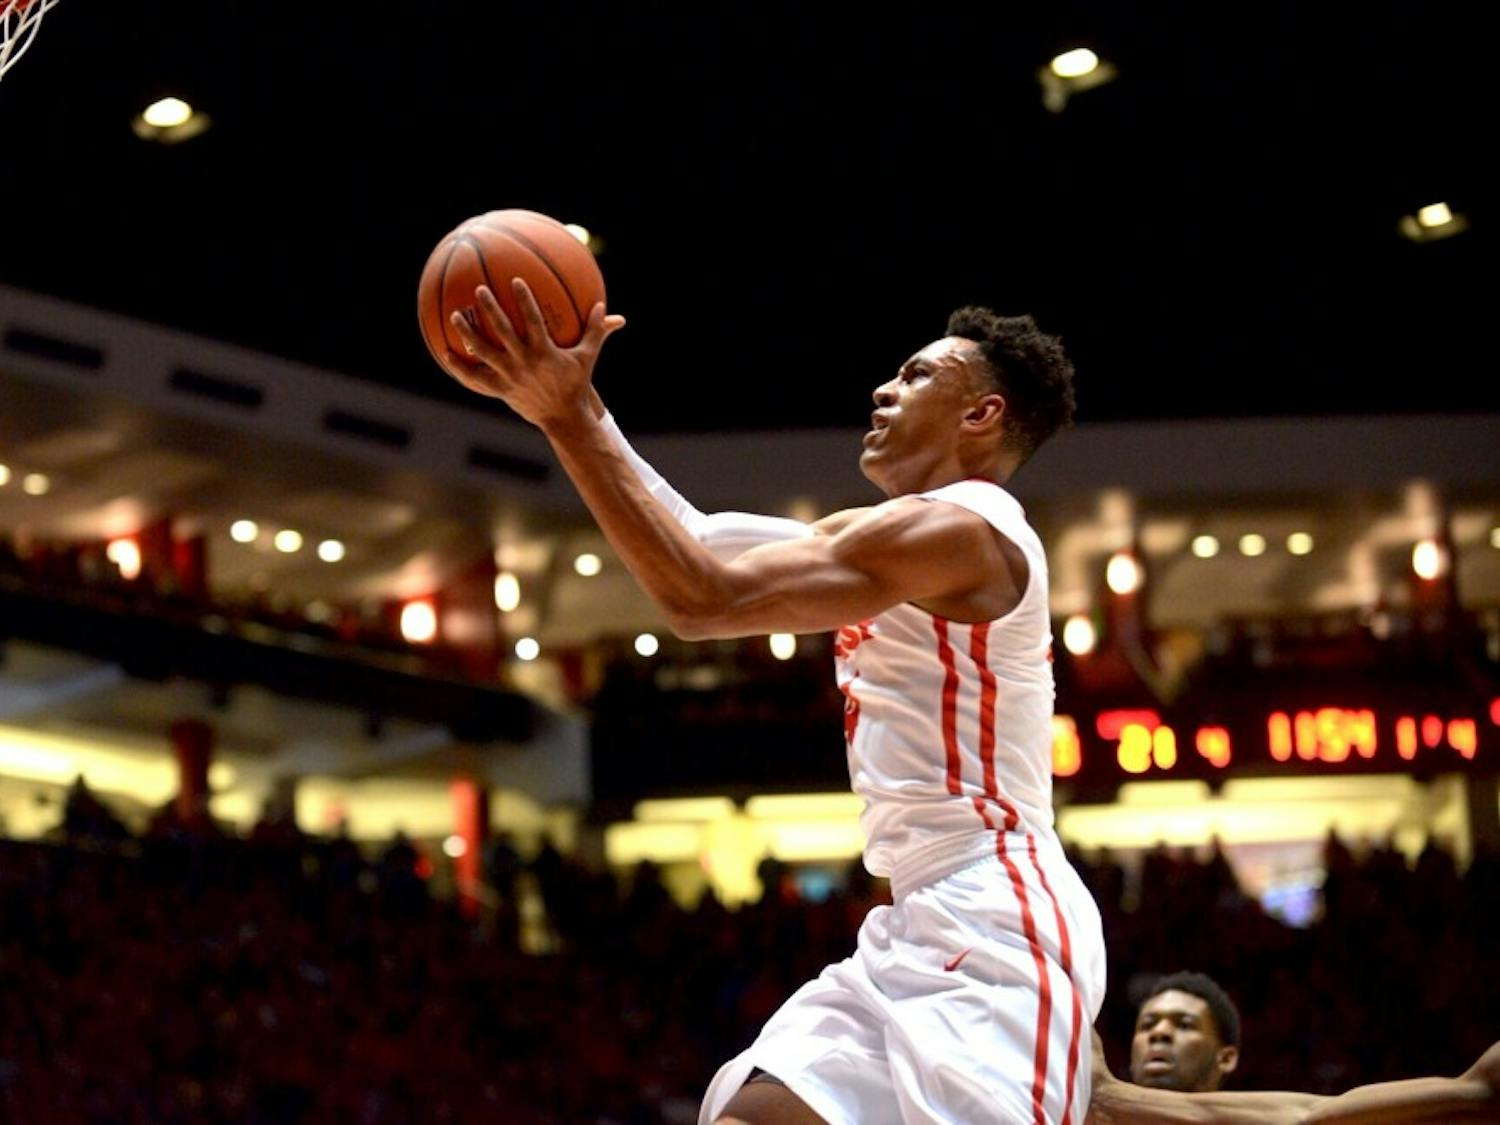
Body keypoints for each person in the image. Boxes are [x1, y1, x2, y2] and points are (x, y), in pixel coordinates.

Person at [449, 280, 1102, 1124]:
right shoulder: (900, 533)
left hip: (997, 914)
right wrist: (571, 410)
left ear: (981, 415)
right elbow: (699, 541)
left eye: (915, 376)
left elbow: (701, 596)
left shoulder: (968, 528)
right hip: (917, 918)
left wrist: (567, 415)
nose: (884, 389)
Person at [1086, 971, 1500, 1123]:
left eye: (1184, 1024)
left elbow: (1479, 1092)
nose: (1159, 1033)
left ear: (1226, 1056)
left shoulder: (1282, 1115)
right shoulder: (1074, 1108)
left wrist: (1110, 1098)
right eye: (1148, 1024)